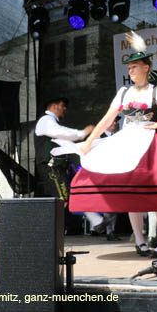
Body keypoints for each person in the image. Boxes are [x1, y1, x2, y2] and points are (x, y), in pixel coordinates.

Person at [53, 31, 157, 258]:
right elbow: (108, 118)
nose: (131, 71)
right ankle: (139, 240)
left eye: (135, 67)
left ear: (146, 67)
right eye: (129, 68)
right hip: (127, 143)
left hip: (150, 145)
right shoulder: (124, 92)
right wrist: (88, 142)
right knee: (131, 193)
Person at [34, 97, 98, 234]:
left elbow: (67, 144)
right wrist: (83, 133)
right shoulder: (46, 121)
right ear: (54, 106)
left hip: (57, 166)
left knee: (64, 196)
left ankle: (94, 220)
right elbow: (61, 132)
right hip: (51, 166)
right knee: (63, 197)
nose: (65, 109)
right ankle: (52, 232)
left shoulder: (52, 123)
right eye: (62, 105)